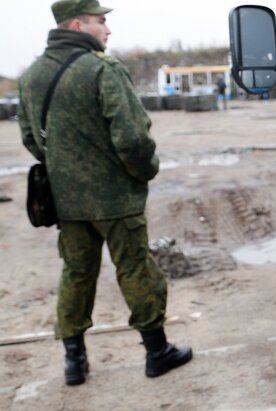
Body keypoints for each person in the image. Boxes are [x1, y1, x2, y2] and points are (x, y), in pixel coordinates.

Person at [17, 0, 192, 386]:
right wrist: (144, 171)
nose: (108, 30)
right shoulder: (102, 69)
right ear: (78, 26)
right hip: (115, 199)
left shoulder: (31, 77)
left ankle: (74, 362)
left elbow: (31, 138)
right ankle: (157, 352)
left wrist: (65, 169)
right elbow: (132, 138)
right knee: (135, 268)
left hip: (67, 202)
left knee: (77, 273)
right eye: (100, 22)